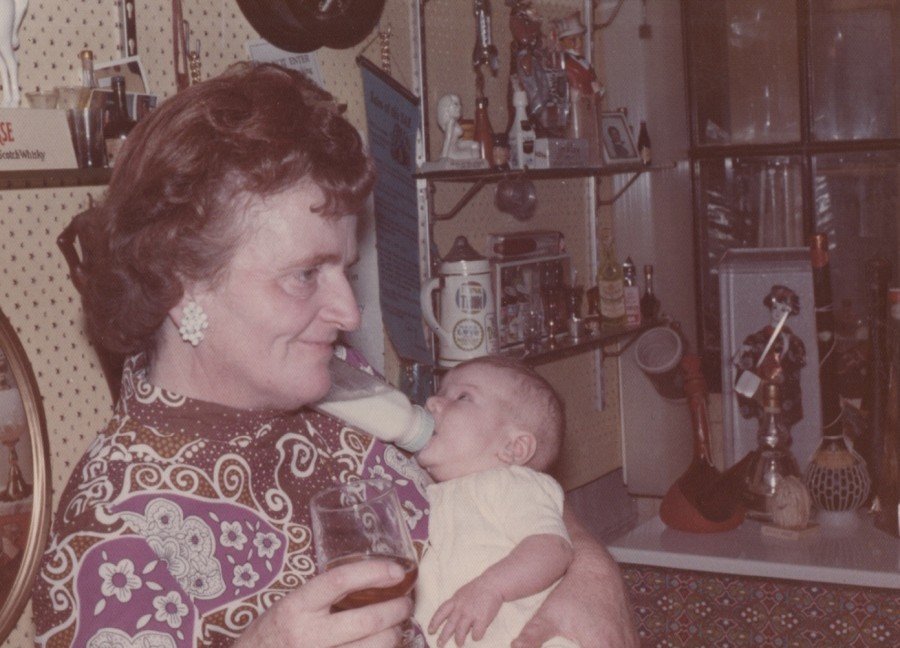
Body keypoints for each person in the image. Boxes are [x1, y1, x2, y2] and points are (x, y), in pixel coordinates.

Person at [32, 62, 638, 648]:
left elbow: (501, 478)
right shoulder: (110, 539)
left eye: (344, 270)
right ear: (177, 281)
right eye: (304, 275)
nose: (349, 314)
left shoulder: (344, 384)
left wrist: (592, 575)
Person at [414, 356, 577, 648]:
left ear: (514, 448)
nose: (432, 403)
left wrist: (490, 588)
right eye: (439, 393)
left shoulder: (513, 483)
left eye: (463, 397)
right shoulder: (430, 493)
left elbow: (554, 549)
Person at [733, 284, 807, 425]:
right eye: (775, 308)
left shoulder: (794, 341)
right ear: (770, 308)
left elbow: (798, 362)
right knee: (764, 426)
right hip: (761, 391)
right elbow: (743, 363)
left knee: (783, 430)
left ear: (789, 313)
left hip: (784, 394)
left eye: (783, 310)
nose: (778, 313)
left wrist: (787, 345)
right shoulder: (756, 338)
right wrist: (743, 355)